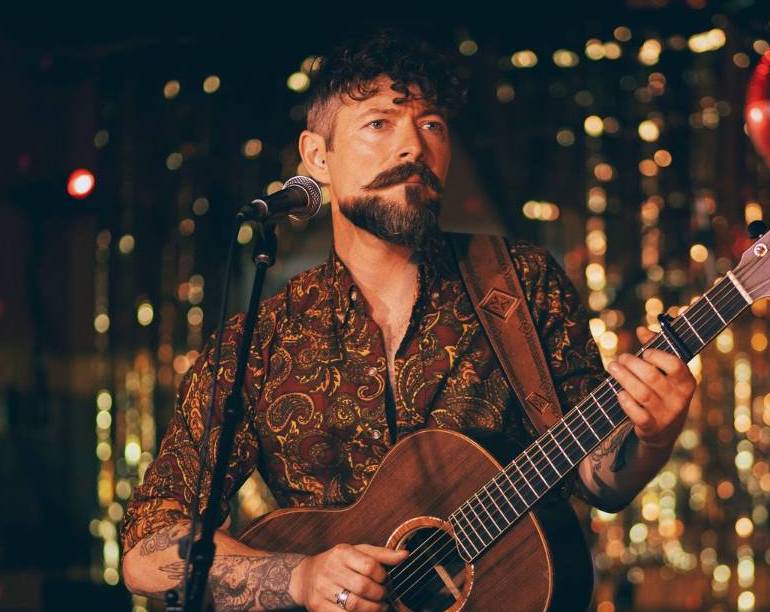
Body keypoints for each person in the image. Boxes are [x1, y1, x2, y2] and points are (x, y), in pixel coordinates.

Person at [121, 27, 697, 611]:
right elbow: (146, 547)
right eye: (379, 123)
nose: (413, 148)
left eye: (432, 125)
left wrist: (654, 436)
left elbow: (596, 476)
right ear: (318, 157)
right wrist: (297, 577)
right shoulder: (262, 339)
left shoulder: (520, 284)